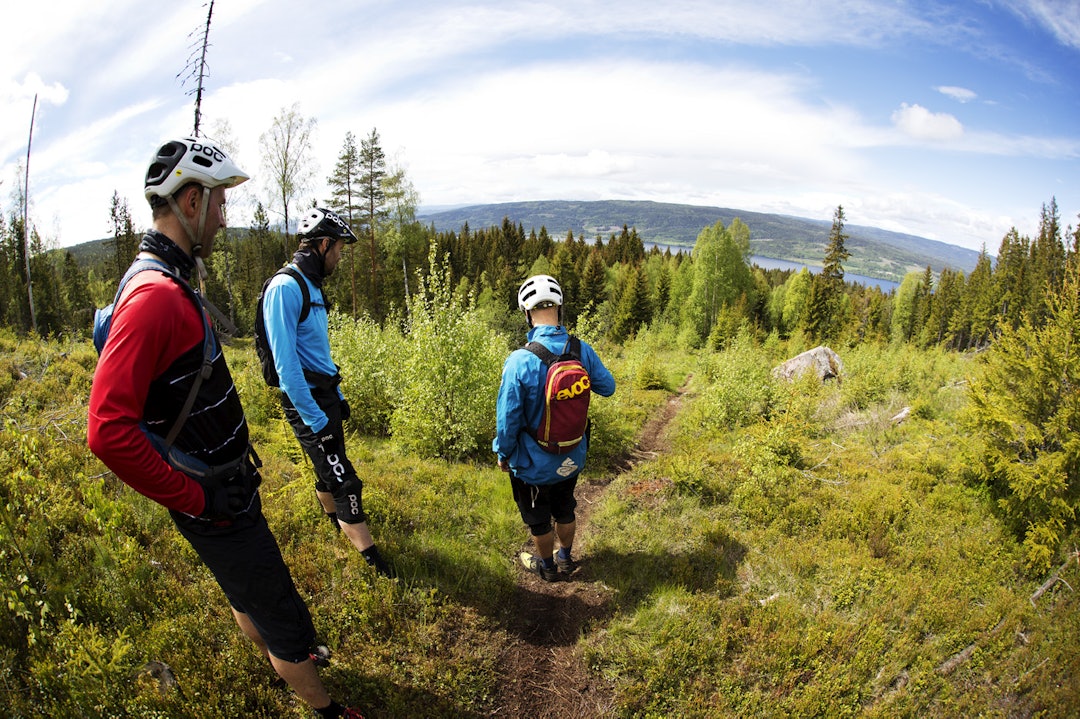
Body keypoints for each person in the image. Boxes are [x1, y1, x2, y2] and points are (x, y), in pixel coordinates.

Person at [87, 138, 365, 719]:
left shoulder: (166, 280)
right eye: (219, 203)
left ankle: (279, 658)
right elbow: (107, 430)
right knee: (278, 607)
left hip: (224, 488)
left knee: (246, 589)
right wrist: (199, 498)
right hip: (213, 497)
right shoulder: (154, 298)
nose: (223, 216)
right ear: (190, 201)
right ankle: (325, 708)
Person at [259, 207, 391, 577]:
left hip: (326, 397)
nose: (339, 257)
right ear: (323, 244)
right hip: (307, 403)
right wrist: (316, 420)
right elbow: (286, 367)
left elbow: (318, 353)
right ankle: (375, 566)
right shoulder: (286, 288)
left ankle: (335, 528)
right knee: (345, 481)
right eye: (339, 250)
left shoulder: (312, 286)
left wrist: (339, 399)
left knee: (327, 471)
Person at [493, 274, 616, 581]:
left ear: (526, 312)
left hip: (533, 465)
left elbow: (507, 422)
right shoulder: (581, 350)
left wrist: (503, 454)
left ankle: (547, 568)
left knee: (538, 520)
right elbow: (608, 387)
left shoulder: (519, 361)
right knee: (565, 508)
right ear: (560, 307)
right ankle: (565, 558)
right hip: (572, 454)